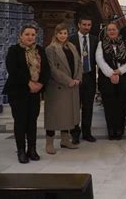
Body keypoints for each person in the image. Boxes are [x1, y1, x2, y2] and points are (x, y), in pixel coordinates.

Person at [3, 24, 50, 163]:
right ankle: (21, 151)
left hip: (35, 92)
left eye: (33, 35)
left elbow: (46, 69)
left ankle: (32, 149)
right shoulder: (14, 50)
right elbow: (13, 69)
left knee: (32, 122)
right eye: (27, 34)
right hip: (18, 91)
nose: (30, 37)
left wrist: (40, 84)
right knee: (20, 122)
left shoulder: (40, 50)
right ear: (21, 36)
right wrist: (29, 83)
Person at [44, 23, 82, 154]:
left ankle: (65, 140)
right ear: (56, 34)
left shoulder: (71, 46)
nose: (63, 36)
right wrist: (68, 81)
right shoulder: (51, 49)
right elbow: (52, 69)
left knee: (67, 115)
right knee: (54, 116)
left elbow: (79, 63)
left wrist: (77, 78)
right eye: (60, 33)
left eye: (65, 33)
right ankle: (49, 143)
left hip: (72, 86)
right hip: (58, 87)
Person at [96, 22, 126, 140]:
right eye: (109, 30)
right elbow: (100, 61)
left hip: (122, 78)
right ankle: (111, 130)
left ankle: (120, 130)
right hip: (107, 79)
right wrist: (111, 74)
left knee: (121, 105)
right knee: (109, 106)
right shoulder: (101, 44)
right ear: (106, 32)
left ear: (118, 31)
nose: (112, 32)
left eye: (114, 29)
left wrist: (120, 71)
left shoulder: (125, 43)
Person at [70, 16, 98, 144]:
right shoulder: (71, 40)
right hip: (75, 77)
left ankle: (87, 133)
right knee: (75, 107)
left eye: (89, 25)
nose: (87, 27)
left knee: (88, 107)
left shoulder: (94, 40)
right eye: (84, 24)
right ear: (79, 25)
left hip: (90, 77)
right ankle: (75, 133)